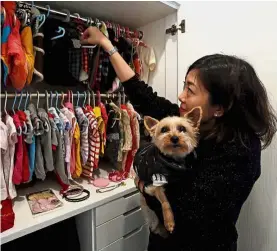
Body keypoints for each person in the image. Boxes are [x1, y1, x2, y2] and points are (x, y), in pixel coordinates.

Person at [81, 27, 277, 251]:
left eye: (190, 90)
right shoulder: (186, 121)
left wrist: (144, 185)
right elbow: (141, 94)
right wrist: (107, 44)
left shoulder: (241, 151)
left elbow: (192, 215)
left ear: (220, 107)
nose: (181, 96)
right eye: (184, 86)